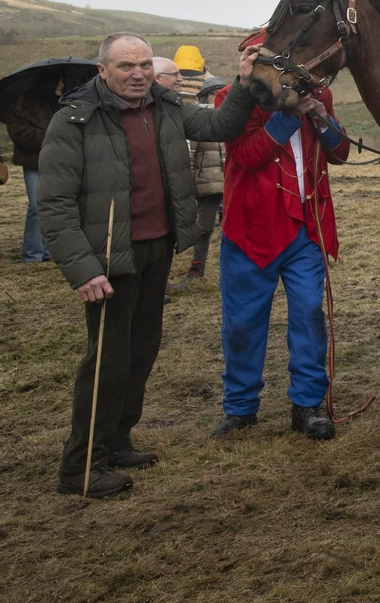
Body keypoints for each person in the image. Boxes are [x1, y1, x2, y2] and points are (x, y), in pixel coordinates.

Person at [39, 32, 258, 497]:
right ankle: (80, 466)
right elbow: (54, 205)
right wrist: (84, 270)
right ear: (103, 71)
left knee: (141, 352)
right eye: (125, 67)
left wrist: (241, 82)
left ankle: (118, 441)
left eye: (142, 65)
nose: (137, 74)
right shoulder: (74, 121)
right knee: (106, 360)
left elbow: (220, 127)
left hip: (157, 248)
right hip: (108, 260)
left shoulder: (164, 107)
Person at [209, 78, 350, 441]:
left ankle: (308, 404)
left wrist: (320, 116)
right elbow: (246, 155)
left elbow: (340, 153)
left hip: (306, 225)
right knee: (242, 322)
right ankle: (240, 407)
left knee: (308, 313)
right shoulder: (232, 98)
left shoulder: (320, 95)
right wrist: (289, 115)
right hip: (251, 226)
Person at [170, 74, 228, 293]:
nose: (220, 97)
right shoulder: (199, 118)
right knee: (204, 228)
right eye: (215, 93)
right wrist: (190, 183)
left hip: (231, 183)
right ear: (207, 95)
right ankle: (197, 267)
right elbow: (191, 154)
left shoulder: (231, 117)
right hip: (207, 183)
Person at [6, 72, 64, 263]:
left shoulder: (60, 104)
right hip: (34, 162)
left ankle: (48, 250)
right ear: (48, 82)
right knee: (36, 206)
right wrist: (48, 136)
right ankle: (32, 253)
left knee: (54, 206)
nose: (62, 85)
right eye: (59, 81)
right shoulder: (22, 104)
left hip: (57, 162)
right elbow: (18, 132)